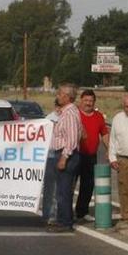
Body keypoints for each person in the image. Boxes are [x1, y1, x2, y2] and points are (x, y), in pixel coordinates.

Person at [49, 83, 81, 232]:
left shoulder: (69, 114)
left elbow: (72, 139)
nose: (58, 96)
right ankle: (61, 219)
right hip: (60, 153)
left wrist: (64, 157)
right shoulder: (65, 112)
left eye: (60, 94)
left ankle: (66, 222)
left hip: (66, 155)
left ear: (68, 97)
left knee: (64, 190)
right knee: (60, 190)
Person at [75, 89, 109, 222]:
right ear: (81, 101)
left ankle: (82, 212)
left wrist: (109, 149)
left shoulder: (98, 116)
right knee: (71, 184)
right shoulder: (75, 114)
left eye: (91, 101)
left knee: (88, 185)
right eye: (86, 100)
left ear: (94, 102)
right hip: (76, 154)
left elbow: (104, 134)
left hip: (91, 156)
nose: (88, 103)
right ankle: (65, 212)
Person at [40, 99, 62, 225]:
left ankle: (59, 213)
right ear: (54, 106)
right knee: (49, 187)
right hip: (49, 156)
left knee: (61, 187)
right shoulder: (49, 118)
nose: (59, 109)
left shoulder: (66, 117)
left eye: (61, 106)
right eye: (57, 106)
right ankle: (48, 214)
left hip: (61, 154)